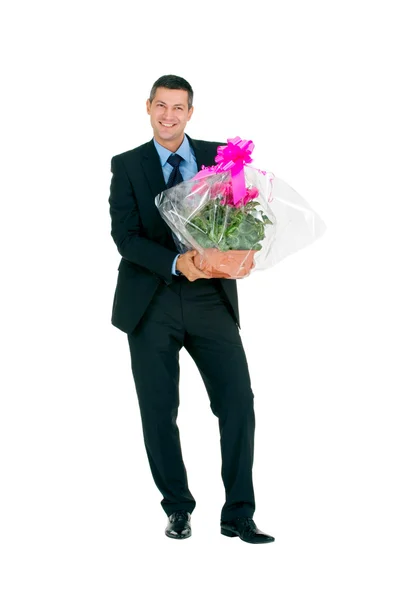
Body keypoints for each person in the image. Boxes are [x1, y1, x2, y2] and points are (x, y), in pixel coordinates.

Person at [108, 74, 275, 544]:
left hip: (210, 299)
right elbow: (126, 238)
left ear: (190, 112)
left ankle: (238, 513)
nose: (168, 116)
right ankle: (177, 508)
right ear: (148, 107)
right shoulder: (127, 165)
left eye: (178, 107)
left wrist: (243, 250)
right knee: (159, 411)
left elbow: (245, 215)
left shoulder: (220, 158)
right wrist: (177, 261)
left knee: (238, 402)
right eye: (161, 106)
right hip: (151, 301)